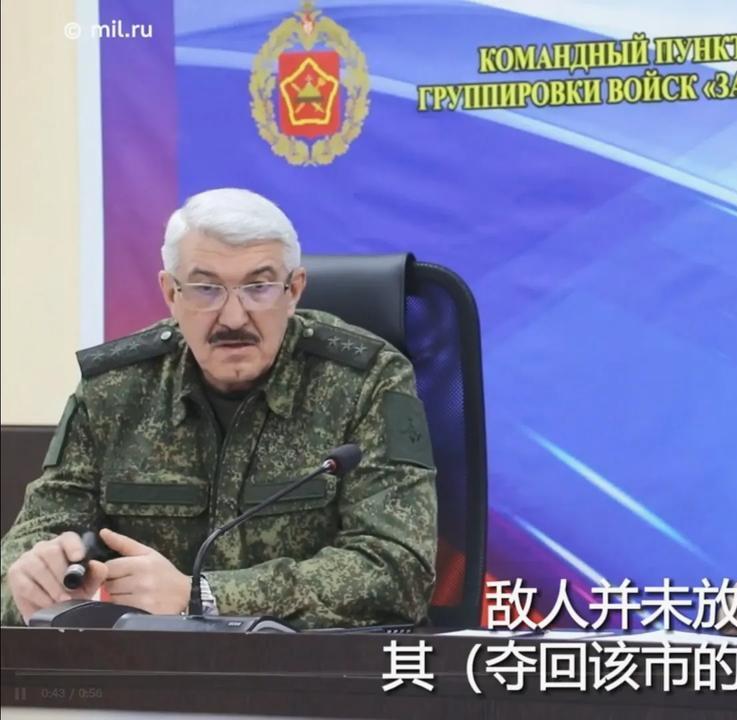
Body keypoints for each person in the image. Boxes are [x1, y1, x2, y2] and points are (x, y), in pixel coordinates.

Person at [0, 188, 437, 629]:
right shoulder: (114, 390)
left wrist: (202, 595)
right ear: (171, 293)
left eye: (259, 287)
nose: (233, 318)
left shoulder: (366, 380)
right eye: (206, 289)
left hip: (313, 664)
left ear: (294, 290)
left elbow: (398, 569)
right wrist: (28, 582)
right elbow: (29, 545)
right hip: (145, 664)